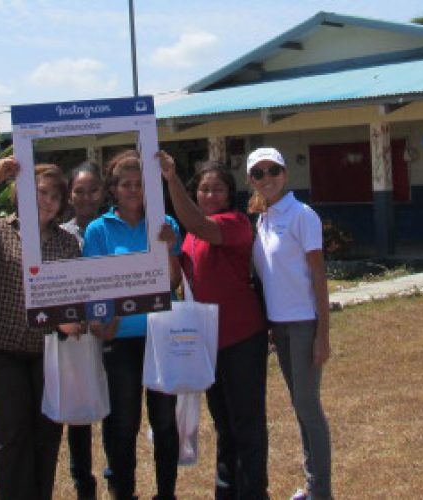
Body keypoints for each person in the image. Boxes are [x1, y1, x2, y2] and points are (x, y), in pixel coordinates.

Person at [0, 158, 82, 500]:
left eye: (55, 196)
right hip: (2, 349)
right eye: (41, 192)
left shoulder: (67, 245)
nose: (47, 201)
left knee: (47, 432)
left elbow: (75, 296)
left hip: (47, 351)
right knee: (11, 435)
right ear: (22, 193)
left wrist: (74, 317)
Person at [157, 153, 270, 499]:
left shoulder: (234, 224)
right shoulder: (189, 238)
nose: (210, 195)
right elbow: (178, 279)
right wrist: (166, 249)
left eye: (217, 189)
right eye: (204, 190)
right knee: (223, 425)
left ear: (229, 194)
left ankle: (253, 491)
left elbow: (200, 225)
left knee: (246, 424)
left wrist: (171, 178)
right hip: (207, 343)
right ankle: (226, 489)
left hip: (241, 338)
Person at [83, 149, 183, 500]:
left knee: (166, 422)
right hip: (120, 338)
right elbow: (93, 286)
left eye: (139, 183)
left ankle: (165, 493)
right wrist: (101, 325)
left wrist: (171, 251)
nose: (132, 189)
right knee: (123, 424)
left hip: (159, 335)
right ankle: (125, 492)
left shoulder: (164, 224)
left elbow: (173, 283)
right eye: (125, 183)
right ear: (113, 188)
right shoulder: (98, 230)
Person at [246, 148, 333, 500]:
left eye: (274, 170)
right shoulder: (263, 218)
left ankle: (322, 491)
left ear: (285, 173)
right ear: (250, 179)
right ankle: (312, 485)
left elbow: (318, 275)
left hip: (303, 324)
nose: (267, 178)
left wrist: (322, 334)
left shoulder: (302, 215)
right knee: (300, 405)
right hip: (278, 328)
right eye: (259, 173)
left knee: (309, 406)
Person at [59, 160, 106, 500]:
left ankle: (115, 472)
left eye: (93, 190)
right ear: (69, 195)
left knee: (114, 407)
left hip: (113, 331)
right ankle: (83, 482)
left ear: (103, 193)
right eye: (79, 190)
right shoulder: (62, 236)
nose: (86, 197)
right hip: (76, 335)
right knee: (79, 414)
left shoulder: (112, 230)